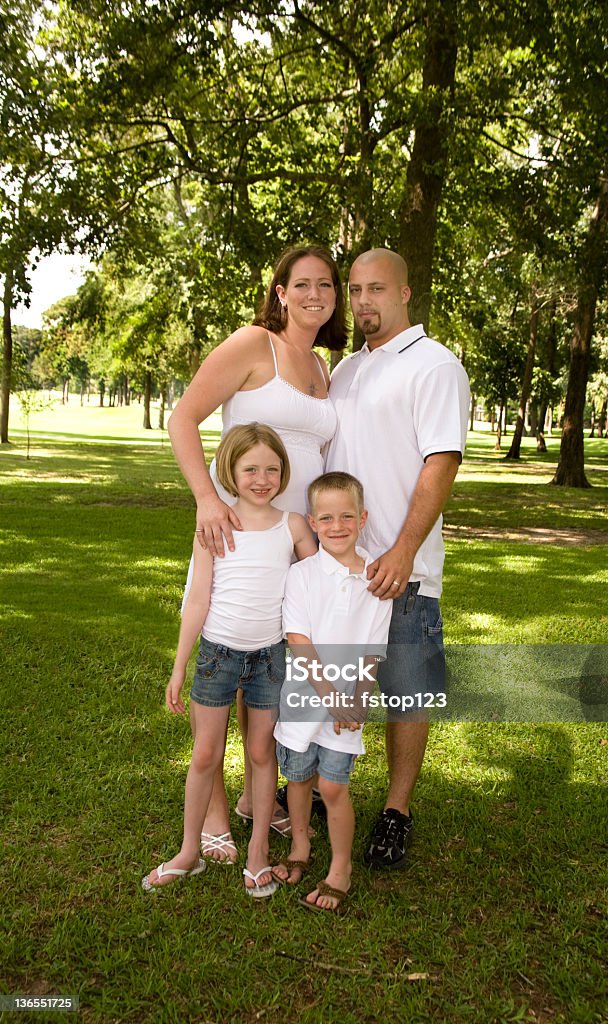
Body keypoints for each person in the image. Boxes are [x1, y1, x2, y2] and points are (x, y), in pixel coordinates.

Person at [166, 246, 346, 857]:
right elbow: (183, 417)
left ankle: (253, 798)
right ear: (280, 291)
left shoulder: (323, 367)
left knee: (268, 665)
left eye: (327, 284)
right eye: (303, 283)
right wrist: (205, 502)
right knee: (222, 656)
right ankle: (214, 810)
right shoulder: (252, 343)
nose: (315, 294)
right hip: (233, 531)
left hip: (292, 544)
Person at [325, 248, 470, 868]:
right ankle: (319, 783)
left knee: (407, 691)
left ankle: (397, 809)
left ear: (406, 294)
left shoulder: (435, 367)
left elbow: (443, 461)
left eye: (376, 289)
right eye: (355, 290)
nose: (363, 301)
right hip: (342, 567)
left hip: (401, 567)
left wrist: (403, 549)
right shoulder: (345, 370)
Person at [142, 423, 317, 896]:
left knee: (262, 754)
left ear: (283, 474)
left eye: (272, 469)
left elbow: (316, 582)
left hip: (268, 658)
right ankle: (188, 851)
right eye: (250, 468)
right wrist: (180, 664)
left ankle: (257, 849)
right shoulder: (215, 524)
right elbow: (198, 598)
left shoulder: (293, 526)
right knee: (205, 754)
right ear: (230, 471)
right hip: (217, 655)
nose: (262, 478)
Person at [273, 472, 393, 911]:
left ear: (362, 518)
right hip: (305, 698)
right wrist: (328, 695)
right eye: (326, 517)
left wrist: (358, 698)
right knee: (299, 778)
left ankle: (340, 867)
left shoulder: (377, 581)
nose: (337, 525)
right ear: (312, 521)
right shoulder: (302, 575)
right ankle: (301, 847)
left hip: (347, 706)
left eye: (346, 516)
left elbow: (372, 652)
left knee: (334, 784)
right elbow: (298, 640)